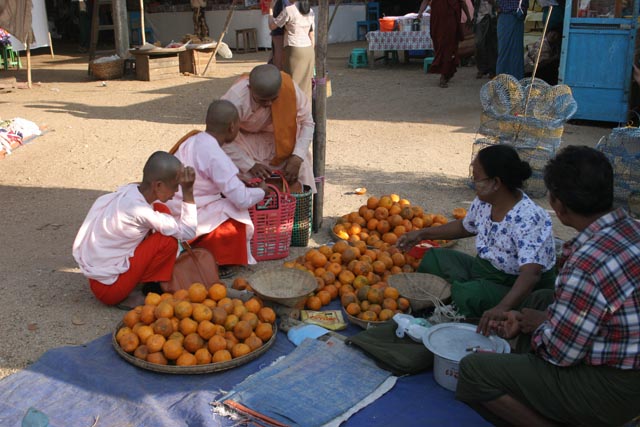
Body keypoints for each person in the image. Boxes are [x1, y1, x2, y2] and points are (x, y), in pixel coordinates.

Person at [456, 145, 640, 427]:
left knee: (473, 371)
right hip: (625, 359)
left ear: (559, 205)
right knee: (542, 299)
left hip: (613, 389)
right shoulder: (631, 229)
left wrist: (532, 326)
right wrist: (542, 319)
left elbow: (559, 352)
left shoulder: (586, 264)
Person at [397, 144, 556, 330]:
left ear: (496, 183)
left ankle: (462, 303)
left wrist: (502, 308)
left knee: (468, 294)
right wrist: (421, 234)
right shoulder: (485, 201)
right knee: (434, 258)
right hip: (485, 270)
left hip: (516, 286)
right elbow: (465, 226)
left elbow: (531, 275)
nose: (473, 184)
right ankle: (460, 297)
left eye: (477, 179)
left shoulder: (529, 218)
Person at [72, 152, 197, 306]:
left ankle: (142, 279)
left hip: (99, 279)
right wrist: (188, 192)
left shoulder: (132, 190)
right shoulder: (141, 211)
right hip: (110, 289)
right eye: (175, 186)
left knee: (161, 209)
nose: (177, 191)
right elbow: (188, 232)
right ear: (158, 185)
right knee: (167, 240)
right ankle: (138, 290)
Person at [167, 100, 267, 275]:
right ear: (232, 127)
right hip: (184, 212)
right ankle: (221, 261)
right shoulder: (215, 154)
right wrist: (262, 191)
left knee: (227, 201)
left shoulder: (196, 140)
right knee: (235, 212)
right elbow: (242, 199)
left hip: (172, 205)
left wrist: (238, 181)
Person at [221, 63, 316, 193]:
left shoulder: (289, 88)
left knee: (302, 166)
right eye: (263, 100)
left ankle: (300, 210)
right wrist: (250, 165)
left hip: (277, 137)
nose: (269, 104)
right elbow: (220, 137)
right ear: (250, 88)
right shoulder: (235, 98)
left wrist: (297, 157)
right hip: (242, 140)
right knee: (234, 170)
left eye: (274, 99)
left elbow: (307, 122)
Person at [268, 0, 315, 102]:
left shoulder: (289, 10)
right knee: (306, 88)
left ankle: (293, 114)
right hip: (309, 50)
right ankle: (306, 115)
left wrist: (270, 10)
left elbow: (272, 26)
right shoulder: (310, 11)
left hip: (294, 49)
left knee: (292, 85)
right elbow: (312, 34)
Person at [418, 0, 472, 88]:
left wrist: (468, 17)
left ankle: (444, 75)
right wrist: (420, 12)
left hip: (451, 22)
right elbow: (426, 1)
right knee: (440, 45)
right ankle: (447, 71)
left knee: (448, 47)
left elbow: (462, 2)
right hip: (438, 21)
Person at [495, 0, 527, 79]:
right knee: (509, 53)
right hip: (509, 17)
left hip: (513, 17)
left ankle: (506, 82)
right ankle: (506, 82)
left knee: (513, 53)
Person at [473, 0, 497, 79]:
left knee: (492, 45)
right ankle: (482, 68)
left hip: (492, 18)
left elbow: (498, 5)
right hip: (480, 19)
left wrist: (493, 2)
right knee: (479, 44)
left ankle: (492, 70)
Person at [269, 0, 286, 70]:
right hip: (283, 33)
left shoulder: (280, 2)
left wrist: (270, 10)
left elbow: (271, 26)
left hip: (279, 33)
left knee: (278, 59)